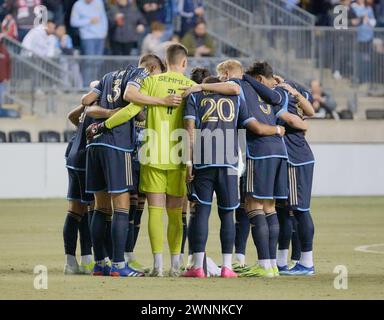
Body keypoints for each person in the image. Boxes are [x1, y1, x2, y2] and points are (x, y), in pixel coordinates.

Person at [82, 54, 179, 277]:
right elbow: (131, 95)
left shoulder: (108, 76)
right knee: (122, 206)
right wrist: (162, 101)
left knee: (100, 207)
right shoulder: (141, 74)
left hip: (94, 145)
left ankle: (100, 263)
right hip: (117, 145)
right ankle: (118, 265)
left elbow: (87, 102)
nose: (155, 81)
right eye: (157, 75)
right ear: (153, 67)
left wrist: (108, 110)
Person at [182, 76, 286, 278]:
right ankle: (228, 267)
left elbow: (189, 129)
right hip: (229, 160)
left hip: (204, 158)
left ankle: (197, 267)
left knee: (202, 211)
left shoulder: (195, 96)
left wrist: (189, 161)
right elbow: (248, 125)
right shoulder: (236, 99)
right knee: (227, 214)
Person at [214, 60, 288, 278]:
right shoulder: (268, 92)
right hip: (279, 151)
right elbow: (277, 100)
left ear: (226, 74)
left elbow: (250, 124)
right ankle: (272, 265)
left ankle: (264, 265)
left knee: (253, 204)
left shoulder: (236, 87)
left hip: (259, 150)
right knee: (270, 207)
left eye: (221, 76)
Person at [244, 61, 316, 276]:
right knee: (284, 210)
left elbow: (303, 121)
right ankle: (283, 261)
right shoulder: (286, 90)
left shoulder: (278, 96)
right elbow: (309, 110)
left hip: (295, 157)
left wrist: (295, 121)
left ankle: (306, 262)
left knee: (299, 210)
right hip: (287, 157)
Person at [0, 35, 10, 111]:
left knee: (1, 96)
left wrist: (7, 77)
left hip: (2, 79)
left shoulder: (5, 50)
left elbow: (8, 65)